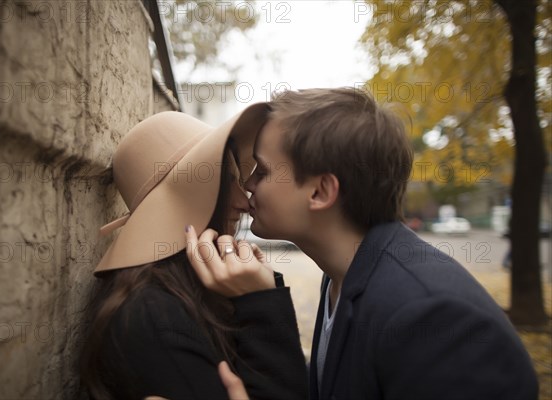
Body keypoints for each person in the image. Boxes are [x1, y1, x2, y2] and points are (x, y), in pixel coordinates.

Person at [187, 88, 539, 399]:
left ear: (320, 191)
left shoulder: (437, 320)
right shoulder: (345, 276)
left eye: (262, 171)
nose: (247, 184)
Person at [80, 104, 308, 400]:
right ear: (186, 197)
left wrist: (257, 292)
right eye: (226, 183)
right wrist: (262, 304)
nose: (245, 202)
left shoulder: (193, 291)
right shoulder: (154, 316)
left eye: (239, 182)